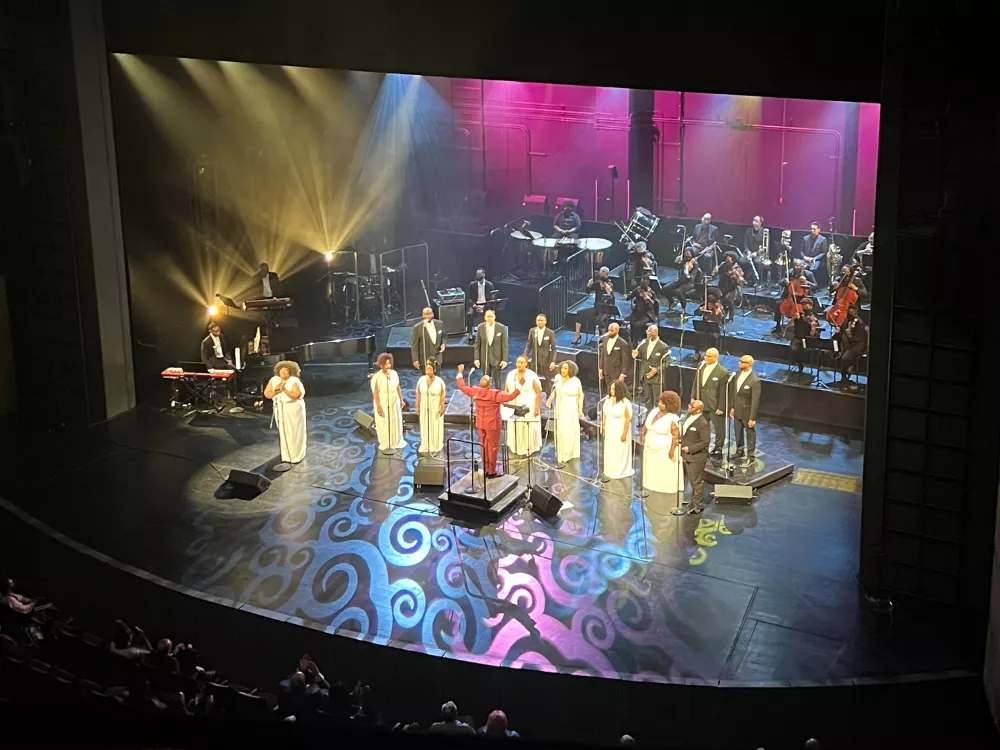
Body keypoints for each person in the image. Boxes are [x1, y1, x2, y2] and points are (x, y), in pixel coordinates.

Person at [455, 364, 520, 477]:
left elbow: (462, 386)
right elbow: (510, 397)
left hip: (481, 424)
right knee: (493, 447)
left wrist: (460, 372)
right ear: (490, 384)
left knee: (483, 446)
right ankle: (491, 471)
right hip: (492, 425)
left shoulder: (475, 392)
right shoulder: (495, 394)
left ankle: (485, 469)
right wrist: (520, 386)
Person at [640, 391, 683, 495]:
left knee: (662, 471)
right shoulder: (653, 411)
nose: (660, 404)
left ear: (670, 405)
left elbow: (675, 437)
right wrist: (642, 435)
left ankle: (664, 488)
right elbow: (646, 425)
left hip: (663, 450)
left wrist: (672, 451)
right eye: (660, 401)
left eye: (663, 403)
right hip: (650, 448)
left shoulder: (673, 419)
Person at [264, 360, 307, 463]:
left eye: (286, 370)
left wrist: (285, 390)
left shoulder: (294, 381)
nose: (283, 372)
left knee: (294, 432)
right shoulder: (274, 380)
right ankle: (287, 456)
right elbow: (267, 394)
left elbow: (296, 395)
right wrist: (277, 391)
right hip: (280, 409)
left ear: (291, 371)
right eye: (281, 370)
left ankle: (296, 456)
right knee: (284, 432)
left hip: (293, 410)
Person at [692, 347, 729, 457]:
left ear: (716, 357)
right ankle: (702, 445)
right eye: (705, 355)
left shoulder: (722, 372)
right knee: (702, 426)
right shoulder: (701, 366)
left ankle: (718, 448)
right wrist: (693, 397)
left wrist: (721, 407)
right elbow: (696, 382)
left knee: (719, 428)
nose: (705, 357)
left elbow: (724, 392)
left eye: (709, 356)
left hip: (714, 405)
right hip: (701, 403)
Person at [545, 360, 584, 463]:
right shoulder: (558, 378)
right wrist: (549, 399)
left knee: (568, 431)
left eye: (566, 368)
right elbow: (555, 391)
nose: (563, 370)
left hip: (570, 409)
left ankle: (568, 453)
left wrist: (580, 410)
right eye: (562, 368)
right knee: (561, 430)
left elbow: (580, 396)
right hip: (560, 408)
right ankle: (561, 453)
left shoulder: (575, 381)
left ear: (570, 370)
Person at [505, 356, 542, 456]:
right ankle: (515, 446)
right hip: (514, 404)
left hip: (528, 405)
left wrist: (537, 408)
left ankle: (527, 447)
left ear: (526, 363)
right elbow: (507, 390)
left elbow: (538, 392)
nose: (519, 364)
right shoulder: (511, 374)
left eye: (521, 362)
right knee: (515, 425)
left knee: (525, 425)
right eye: (518, 362)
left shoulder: (531, 376)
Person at [728, 355, 761, 467]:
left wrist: (752, 418)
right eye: (739, 361)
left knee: (750, 435)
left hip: (747, 412)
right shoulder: (737, 374)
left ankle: (750, 456)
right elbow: (734, 393)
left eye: (742, 362)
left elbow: (755, 401)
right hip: (737, 409)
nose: (739, 363)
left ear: (749, 364)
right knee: (738, 432)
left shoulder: (754, 381)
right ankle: (739, 451)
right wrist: (732, 407)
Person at [631, 324, 672, 413]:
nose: (648, 334)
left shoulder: (663, 346)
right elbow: (641, 356)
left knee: (658, 400)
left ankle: (658, 416)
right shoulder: (644, 343)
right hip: (645, 376)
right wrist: (636, 354)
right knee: (647, 399)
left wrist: (656, 370)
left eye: (650, 332)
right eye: (647, 331)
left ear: (655, 332)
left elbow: (667, 362)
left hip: (656, 378)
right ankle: (648, 417)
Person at [680, 399, 711, 514]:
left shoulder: (703, 423)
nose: (689, 407)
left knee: (696, 481)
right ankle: (693, 502)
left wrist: (690, 449)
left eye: (692, 407)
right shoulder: (688, 417)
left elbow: (705, 442)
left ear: (698, 410)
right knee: (692, 480)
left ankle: (698, 505)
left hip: (696, 457)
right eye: (689, 405)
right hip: (687, 456)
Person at [371, 353, 406, 452]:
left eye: (389, 363)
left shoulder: (394, 373)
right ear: (381, 365)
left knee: (395, 420)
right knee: (385, 422)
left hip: (394, 400)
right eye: (386, 364)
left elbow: (398, 387)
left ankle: (396, 441)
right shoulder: (377, 377)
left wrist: (401, 399)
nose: (388, 366)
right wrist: (378, 407)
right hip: (383, 401)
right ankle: (387, 442)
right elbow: (376, 393)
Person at [572, 266, 615, 344]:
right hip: (596, 308)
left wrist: (609, 292)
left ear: (607, 275)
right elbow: (587, 291)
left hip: (606, 310)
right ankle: (577, 335)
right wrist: (588, 285)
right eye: (601, 274)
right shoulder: (597, 283)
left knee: (599, 320)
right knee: (579, 314)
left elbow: (612, 301)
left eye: (603, 275)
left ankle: (604, 340)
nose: (601, 276)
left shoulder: (610, 285)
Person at [772, 259, 816, 333]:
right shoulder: (789, 273)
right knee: (779, 305)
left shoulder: (808, 274)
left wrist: (806, 282)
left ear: (801, 266)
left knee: (805, 308)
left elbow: (815, 286)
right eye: (794, 265)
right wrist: (784, 281)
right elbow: (780, 283)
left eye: (798, 266)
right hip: (789, 296)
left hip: (803, 297)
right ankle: (777, 325)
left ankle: (801, 326)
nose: (796, 267)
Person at [602, 380, 634, 479]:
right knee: (610, 449)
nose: (611, 391)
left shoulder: (625, 403)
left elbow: (628, 419)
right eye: (611, 388)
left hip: (620, 429)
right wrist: (602, 425)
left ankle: (620, 470)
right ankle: (610, 469)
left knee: (619, 450)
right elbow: (605, 413)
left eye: (614, 389)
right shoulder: (608, 400)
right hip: (610, 428)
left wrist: (624, 434)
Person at [415, 361, 446, 455]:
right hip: (424, 407)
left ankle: (435, 445)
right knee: (425, 425)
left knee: (435, 425)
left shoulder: (439, 381)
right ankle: (426, 444)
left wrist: (441, 407)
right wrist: (417, 406)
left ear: (434, 370)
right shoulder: (421, 380)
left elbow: (442, 395)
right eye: (427, 369)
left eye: (430, 369)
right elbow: (418, 393)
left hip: (435, 407)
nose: (428, 371)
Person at [473, 309, 508, 388]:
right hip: (485, 358)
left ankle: (498, 397)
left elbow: (504, 345)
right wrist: (476, 358)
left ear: (494, 317)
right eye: (487, 316)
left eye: (491, 316)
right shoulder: (481, 327)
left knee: (497, 379)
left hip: (497, 358)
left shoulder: (501, 327)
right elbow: (477, 344)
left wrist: (504, 359)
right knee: (485, 379)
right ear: (485, 317)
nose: (489, 318)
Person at [524, 313, 558, 392]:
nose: (539, 322)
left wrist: (553, 361)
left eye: (541, 320)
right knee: (531, 378)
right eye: (538, 320)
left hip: (546, 360)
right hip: (535, 359)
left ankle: (548, 399)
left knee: (548, 381)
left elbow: (553, 348)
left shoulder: (550, 332)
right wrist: (525, 356)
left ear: (545, 321)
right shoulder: (532, 331)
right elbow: (529, 345)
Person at [836, 307, 868, 383]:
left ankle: (845, 374)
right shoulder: (847, 320)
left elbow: (858, 340)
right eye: (848, 313)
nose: (849, 315)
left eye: (851, 313)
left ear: (855, 313)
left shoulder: (859, 324)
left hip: (856, 347)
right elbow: (843, 330)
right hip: (847, 345)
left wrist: (849, 335)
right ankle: (846, 371)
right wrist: (838, 331)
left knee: (844, 358)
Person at [598, 321, 632, 389]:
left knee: (617, 391)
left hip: (617, 373)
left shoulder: (622, 343)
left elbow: (625, 361)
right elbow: (603, 355)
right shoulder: (605, 339)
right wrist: (601, 368)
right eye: (609, 330)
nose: (609, 332)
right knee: (609, 390)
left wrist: (623, 374)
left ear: (617, 330)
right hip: (607, 371)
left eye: (612, 330)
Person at [411, 306, 446, 372]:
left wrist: (443, 344)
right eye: (426, 314)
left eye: (429, 314)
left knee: (437, 378)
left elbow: (444, 336)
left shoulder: (440, 324)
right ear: (423, 315)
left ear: (433, 314)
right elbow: (414, 346)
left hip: (437, 358)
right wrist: (415, 359)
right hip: (425, 359)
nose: (428, 316)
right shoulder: (417, 328)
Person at [789, 298, 819, 373]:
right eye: (803, 305)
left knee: (802, 350)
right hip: (798, 337)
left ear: (811, 306)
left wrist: (813, 329)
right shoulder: (800, 315)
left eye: (807, 305)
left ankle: (801, 364)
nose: (805, 306)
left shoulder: (813, 318)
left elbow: (814, 334)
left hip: (808, 339)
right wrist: (795, 319)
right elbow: (792, 326)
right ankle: (797, 362)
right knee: (793, 348)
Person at [548, 201, 582, 266]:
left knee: (575, 243)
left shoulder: (576, 216)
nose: (567, 209)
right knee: (553, 240)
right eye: (566, 207)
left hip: (571, 233)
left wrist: (570, 231)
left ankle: (573, 261)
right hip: (560, 232)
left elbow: (578, 226)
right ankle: (554, 259)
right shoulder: (559, 215)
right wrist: (560, 230)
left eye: (569, 207)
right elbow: (555, 225)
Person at [466, 268, 496, 340]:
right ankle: (470, 333)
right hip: (475, 304)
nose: (478, 276)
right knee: (469, 314)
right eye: (477, 274)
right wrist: (475, 306)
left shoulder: (490, 285)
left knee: (490, 314)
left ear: (484, 275)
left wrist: (492, 309)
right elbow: (469, 298)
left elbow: (493, 299)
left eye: (479, 274)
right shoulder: (472, 285)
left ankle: (489, 332)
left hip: (486, 304)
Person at [715, 252, 743, 322]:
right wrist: (715, 270)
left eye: (729, 260)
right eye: (726, 259)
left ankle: (731, 316)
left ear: (733, 260)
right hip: (723, 285)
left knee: (729, 300)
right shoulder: (722, 265)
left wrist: (735, 277)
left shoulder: (737, 268)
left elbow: (739, 280)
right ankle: (721, 314)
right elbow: (715, 273)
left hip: (733, 287)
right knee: (719, 298)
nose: (727, 261)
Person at [800, 222, 830, 286]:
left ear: (819, 230)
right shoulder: (805, 238)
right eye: (811, 229)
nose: (812, 230)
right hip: (806, 258)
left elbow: (823, 252)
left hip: (816, 260)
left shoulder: (823, 239)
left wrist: (814, 259)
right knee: (798, 266)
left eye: (814, 229)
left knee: (813, 269)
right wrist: (804, 257)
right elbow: (801, 250)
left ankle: (813, 285)